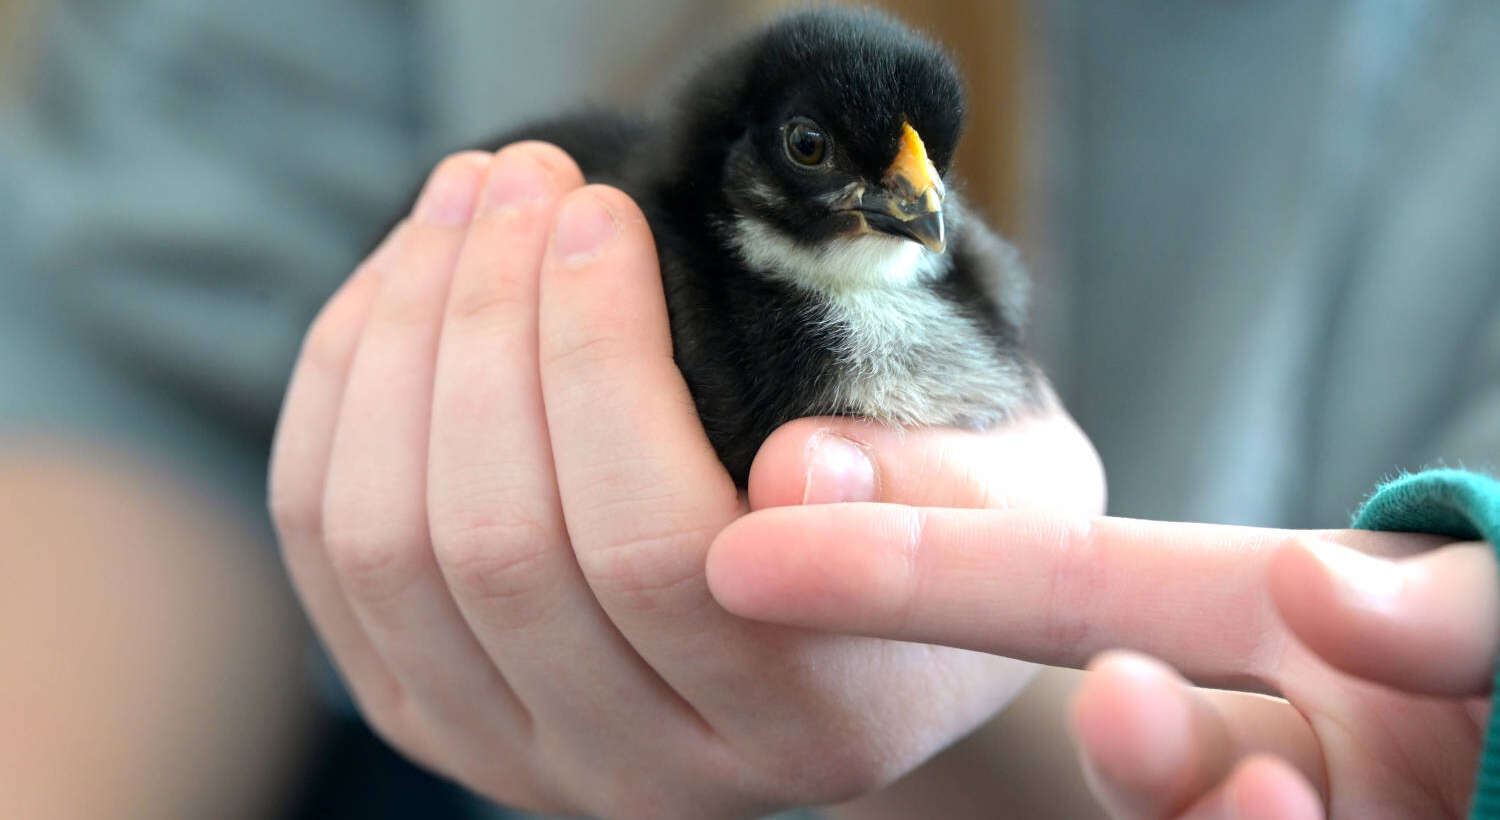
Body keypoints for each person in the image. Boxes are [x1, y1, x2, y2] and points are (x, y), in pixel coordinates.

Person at [5, 1, 1496, 818]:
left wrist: (1012, 696)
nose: (914, 205)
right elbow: (130, 338)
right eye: (832, 157)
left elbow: (1445, 671)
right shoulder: (648, 264)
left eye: (924, 169)